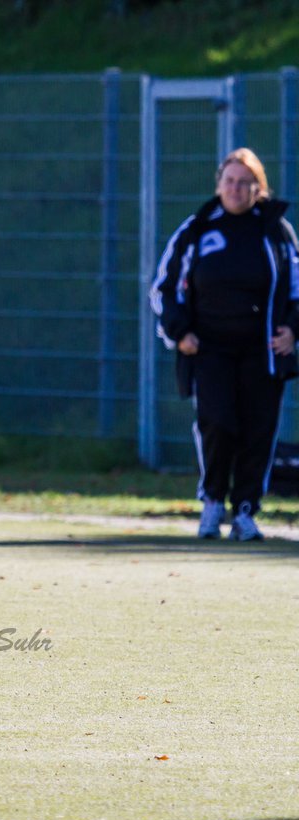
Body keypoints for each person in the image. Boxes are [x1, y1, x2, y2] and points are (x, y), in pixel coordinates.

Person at [150, 148, 299, 541]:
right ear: (219, 185)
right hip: (209, 350)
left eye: (245, 183)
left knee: (258, 431)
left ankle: (246, 511)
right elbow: (163, 288)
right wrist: (180, 332)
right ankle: (213, 501)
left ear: (258, 189)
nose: (236, 189)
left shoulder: (277, 231)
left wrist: (292, 329)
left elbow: (297, 286)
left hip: (263, 352)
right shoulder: (198, 229)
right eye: (229, 181)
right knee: (218, 423)